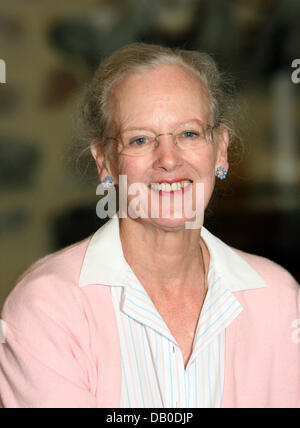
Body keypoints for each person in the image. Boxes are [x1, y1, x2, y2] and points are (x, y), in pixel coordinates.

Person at [0, 43, 299, 408]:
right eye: (140, 139)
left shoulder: (279, 299)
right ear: (105, 163)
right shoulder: (48, 308)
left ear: (219, 149)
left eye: (189, 133)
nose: (169, 160)